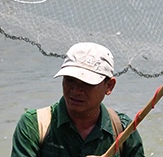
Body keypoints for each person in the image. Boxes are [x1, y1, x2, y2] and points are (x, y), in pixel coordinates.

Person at [10, 42, 144, 157]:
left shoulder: (124, 130)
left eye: (87, 83)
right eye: (70, 80)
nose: (75, 90)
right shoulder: (33, 126)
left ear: (109, 86)